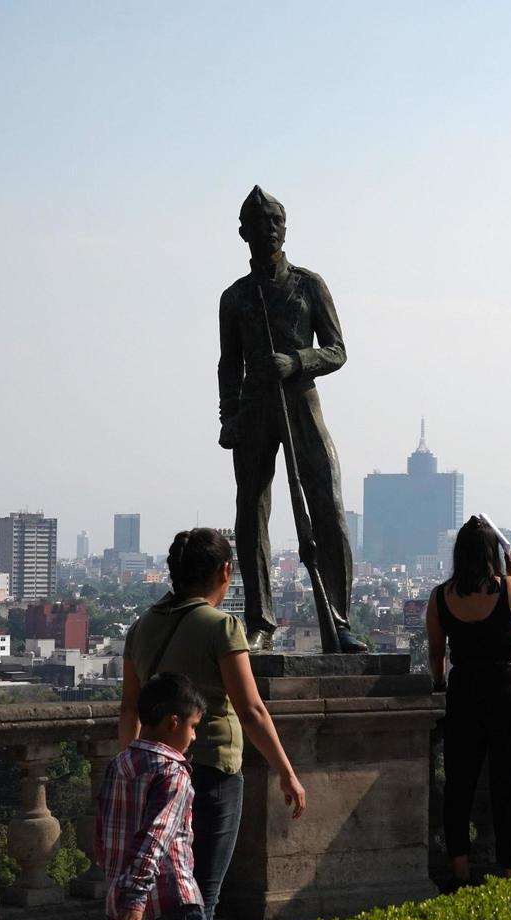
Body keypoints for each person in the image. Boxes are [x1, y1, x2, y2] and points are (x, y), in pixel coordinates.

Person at [119, 528, 306, 920]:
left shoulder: (141, 626)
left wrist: (129, 766)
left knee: (159, 886)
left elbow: (130, 707)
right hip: (211, 769)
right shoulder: (221, 627)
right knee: (202, 891)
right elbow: (251, 709)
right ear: (225, 571)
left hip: (157, 770)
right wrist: (286, 771)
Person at [218, 186, 367, 653]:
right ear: (243, 233)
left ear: (285, 229)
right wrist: (229, 416)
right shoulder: (236, 297)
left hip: (302, 402)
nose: (268, 231)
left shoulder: (309, 285)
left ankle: (339, 619)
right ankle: (259, 619)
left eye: (275, 223)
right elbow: (229, 363)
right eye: (259, 225)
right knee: (251, 511)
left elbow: (337, 350)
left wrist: (297, 361)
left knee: (328, 505)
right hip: (255, 407)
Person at [427, 517, 511, 886]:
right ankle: (510, 871)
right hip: (508, 688)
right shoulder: (507, 588)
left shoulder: (441, 595)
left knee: (459, 784)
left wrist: (442, 684)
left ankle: (460, 869)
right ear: (493, 553)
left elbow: (435, 653)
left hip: (465, 688)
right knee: (506, 785)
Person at [89, 673, 211, 920]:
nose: (194, 736)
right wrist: (136, 895)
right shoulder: (173, 772)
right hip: (170, 899)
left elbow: (103, 828)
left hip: (122, 893)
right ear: (173, 722)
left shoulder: (120, 762)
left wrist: (120, 886)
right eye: (193, 726)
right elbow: (154, 837)